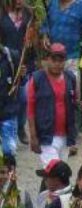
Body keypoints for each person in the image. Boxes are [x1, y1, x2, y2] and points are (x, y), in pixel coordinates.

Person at [27, 43, 78, 166]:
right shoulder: (37, 78)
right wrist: (33, 137)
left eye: (60, 60)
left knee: (59, 175)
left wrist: (81, 104)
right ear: (47, 60)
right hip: (46, 136)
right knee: (55, 171)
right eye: (54, 60)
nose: (57, 63)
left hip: (65, 136)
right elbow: (30, 110)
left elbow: (74, 104)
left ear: (65, 61)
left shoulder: (70, 78)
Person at [40, 0, 82, 79]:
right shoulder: (53, 3)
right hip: (54, 58)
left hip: (73, 59)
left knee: (71, 87)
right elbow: (46, 23)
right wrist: (45, 35)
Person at [0, 0, 35, 145]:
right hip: (6, 63)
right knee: (6, 97)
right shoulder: (2, 13)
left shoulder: (29, 13)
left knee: (23, 97)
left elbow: (33, 40)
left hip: (23, 62)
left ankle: (20, 127)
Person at [0, 42, 21, 165]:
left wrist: (22, 75)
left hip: (8, 111)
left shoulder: (11, 56)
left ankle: (11, 182)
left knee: (9, 152)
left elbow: (19, 81)